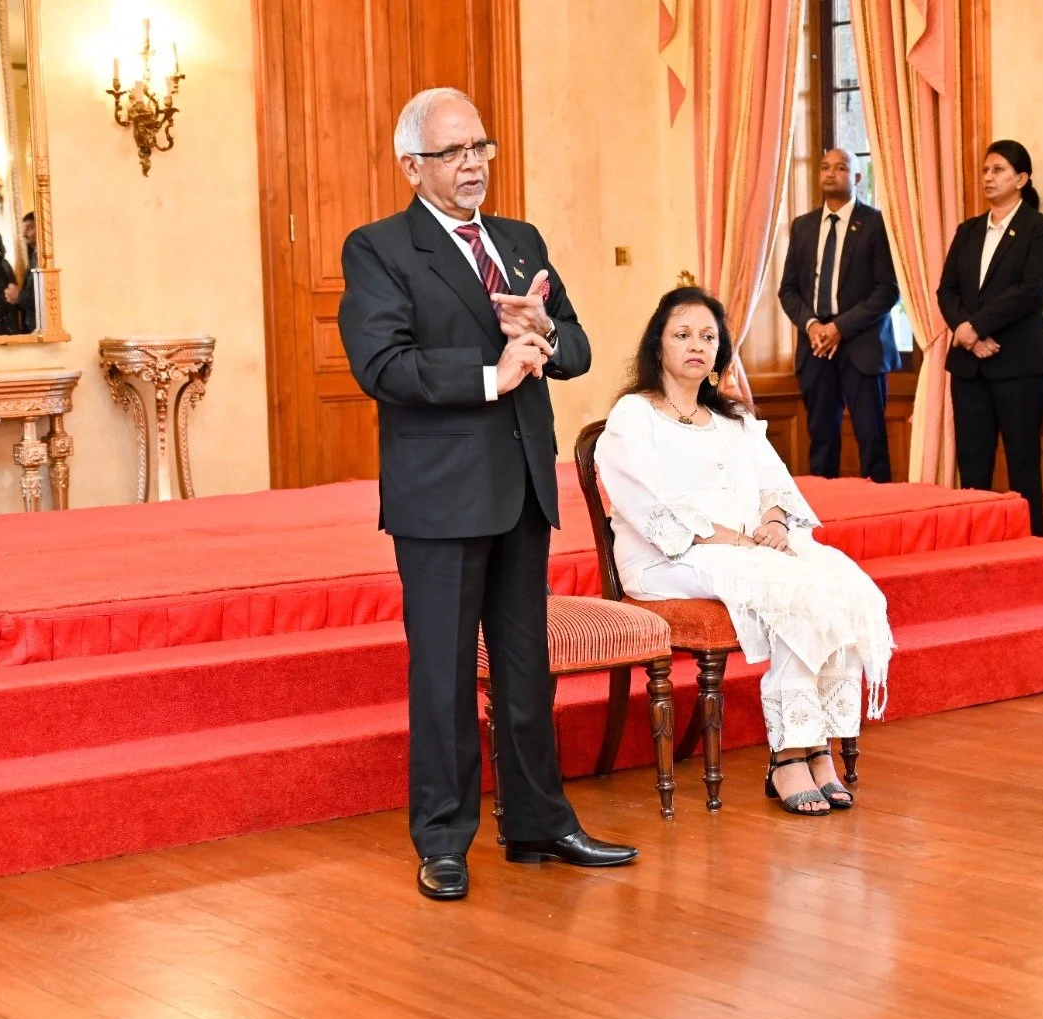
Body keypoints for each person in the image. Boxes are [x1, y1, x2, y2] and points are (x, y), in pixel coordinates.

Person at [337, 86, 636, 901]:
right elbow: (381, 365)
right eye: (453, 152)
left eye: (481, 147)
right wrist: (489, 374)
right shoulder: (379, 249)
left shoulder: (519, 240)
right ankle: (442, 839)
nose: (473, 165)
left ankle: (539, 823)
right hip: (440, 498)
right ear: (413, 167)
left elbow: (576, 346)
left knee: (525, 669)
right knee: (442, 677)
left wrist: (542, 334)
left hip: (522, 487)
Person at [595, 287, 894, 816]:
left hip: (745, 550)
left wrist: (774, 522)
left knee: (839, 581)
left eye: (708, 336)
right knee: (788, 588)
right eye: (682, 334)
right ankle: (789, 755)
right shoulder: (634, 414)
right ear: (658, 346)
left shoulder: (733, 419)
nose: (697, 345)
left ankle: (817, 744)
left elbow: (774, 483)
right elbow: (646, 504)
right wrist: (734, 538)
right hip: (667, 558)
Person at [937, 139, 1043, 536]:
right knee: (972, 463)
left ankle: (1030, 547)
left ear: (1021, 179)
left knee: (1023, 461)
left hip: (1019, 363)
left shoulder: (1040, 230)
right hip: (968, 365)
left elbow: (1030, 290)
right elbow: (947, 291)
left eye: (999, 170)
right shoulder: (969, 230)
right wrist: (969, 336)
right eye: (986, 170)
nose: (989, 178)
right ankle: (976, 544)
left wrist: (977, 327)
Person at [778, 149, 902, 481]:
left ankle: (879, 508)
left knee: (872, 440)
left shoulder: (875, 223)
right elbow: (788, 290)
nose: (831, 173)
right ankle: (824, 509)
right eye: (825, 167)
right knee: (821, 440)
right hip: (816, 346)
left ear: (857, 177)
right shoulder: (803, 226)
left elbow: (888, 291)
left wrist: (839, 328)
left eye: (841, 168)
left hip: (862, 345)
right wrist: (812, 325)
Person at [4, 211, 37, 334]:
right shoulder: (35, 255)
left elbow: (49, 298)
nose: (24, 234)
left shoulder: (46, 258)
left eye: (29, 228)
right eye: (23, 229)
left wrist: (20, 296)